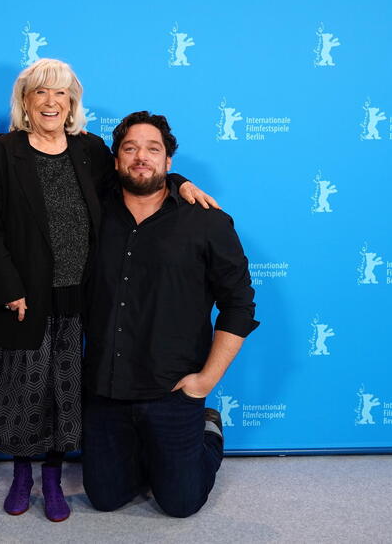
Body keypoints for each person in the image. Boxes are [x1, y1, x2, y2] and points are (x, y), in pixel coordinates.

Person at [0, 60, 216, 522]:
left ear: (72, 103)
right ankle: (23, 474)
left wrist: (179, 183)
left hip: (78, 298)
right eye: (40, 92)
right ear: (25, 100)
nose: (50, 102)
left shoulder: (90, 150)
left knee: (64, 393)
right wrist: (8, 288)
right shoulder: (3, 151)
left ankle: (53, 478)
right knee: (24, 392)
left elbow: (138, 178)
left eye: (60, 94)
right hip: (23, 297)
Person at [82, 111, 259, 518]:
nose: (140, 157)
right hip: (105, 389)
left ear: (168, 162)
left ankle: (208, 430)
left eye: (152, 149)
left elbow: (239, 305)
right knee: (106, 498)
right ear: (115, 160)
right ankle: (146, 452)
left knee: (181, 503)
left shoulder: (207, 221)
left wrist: (206, 381)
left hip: (174, 390)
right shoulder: (92, 212)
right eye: (130, 149)